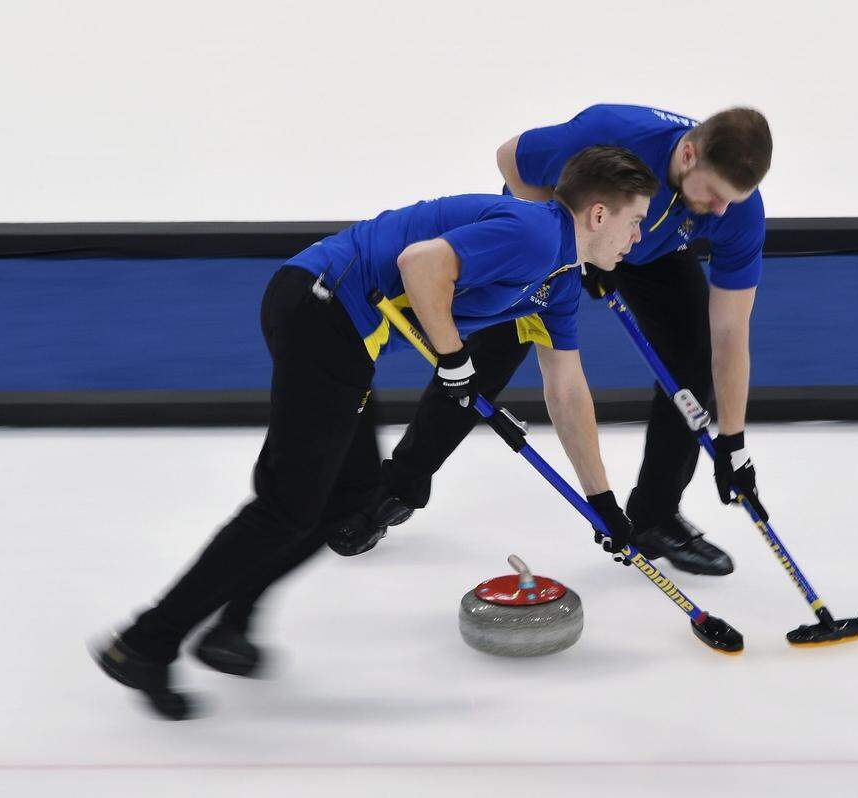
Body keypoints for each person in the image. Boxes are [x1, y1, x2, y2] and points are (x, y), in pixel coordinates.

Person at [92, 145, 658, 720]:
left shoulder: (560, 280)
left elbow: (567, 389)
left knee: (349, 498)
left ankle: (230, 625)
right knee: (287, 505)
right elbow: (421, 263)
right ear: (597, 215)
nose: (637, 238)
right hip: (321, 304)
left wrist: (602, 503)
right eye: (635, 221)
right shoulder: (537, 232)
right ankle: (143, 644)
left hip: (343, 327)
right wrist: (455, 358)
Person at [338, 105, 773, 577]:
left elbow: (731, 331)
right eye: (714, 194)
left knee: (694, 358)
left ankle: (655, 516)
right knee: (478, 368)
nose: (723, 209)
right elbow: (510, 158)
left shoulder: (738, 211)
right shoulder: (612, 131)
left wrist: (733, 441)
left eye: (734, 199)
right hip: (560, 231)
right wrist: (569, 250)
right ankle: (397, 490)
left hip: (656, 248)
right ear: (688, 155)